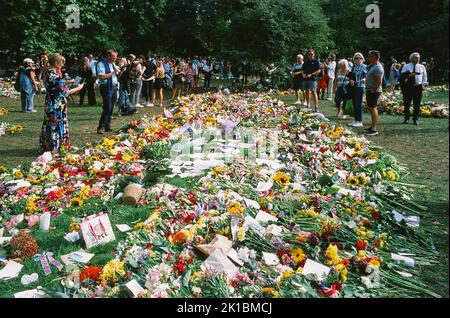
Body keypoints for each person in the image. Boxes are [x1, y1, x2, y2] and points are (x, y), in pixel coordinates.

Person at [39, 53, 84, 154]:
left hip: (49, 102)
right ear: (56, 63)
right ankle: (56, 146)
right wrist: (79, 87)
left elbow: (55, 85)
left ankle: (48, 145)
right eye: (61, 63)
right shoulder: (54, 75)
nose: (63, 65)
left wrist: (68, 82)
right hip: (57, 104)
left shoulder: (46, 72)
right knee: (57, 123)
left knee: (49, 123)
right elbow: (65, 92)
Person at [400, 52, 428, 125]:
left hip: (418, 87)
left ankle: (415, 119)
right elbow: (402, 77)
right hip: (408, 87)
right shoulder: (406, 66)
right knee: (407, 104)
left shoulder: (422, 67)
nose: (418, 59)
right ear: (411, 58)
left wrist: (424, 85)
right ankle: (406, 119)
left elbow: (424, 77)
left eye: (418, 57)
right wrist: (408, 75)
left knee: (417, 104)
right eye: (416, 57)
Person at [96, 49, 119, 134]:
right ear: (108, 56)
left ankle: (107, 125)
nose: (115, 59)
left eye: (116, 57)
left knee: (112, 107)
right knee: (107, 107)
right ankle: (100, 127)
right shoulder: (101, 64)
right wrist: (113, 72)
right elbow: (102, 77)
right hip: (106, 87)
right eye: (113, 57)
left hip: (113, 87)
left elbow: (114, 76)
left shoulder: (112, 64)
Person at [364, 50, 385, 136]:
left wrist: (373, 90)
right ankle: (372, 126)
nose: (368, 58)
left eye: (370, 56)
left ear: (376, 57)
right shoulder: (374, 66)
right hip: (371, 90)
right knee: (371, 107)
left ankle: (374, 129)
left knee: (373, 108)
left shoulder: (378, 67)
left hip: (374, 91)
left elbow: (379, 81)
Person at [347, 52, 367, 128]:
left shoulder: (364, 66)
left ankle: (359, 121)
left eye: (360, 58)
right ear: (354, 59)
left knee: (358, 104)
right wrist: (350, 79)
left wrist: (364, 79)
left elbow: (366, 75)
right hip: (353, 87)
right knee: (354, 104)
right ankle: (355, 120)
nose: (358, 59)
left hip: (360, 87)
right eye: (356, 58)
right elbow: (351, 76)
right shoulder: (353, 67)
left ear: (362, 59)